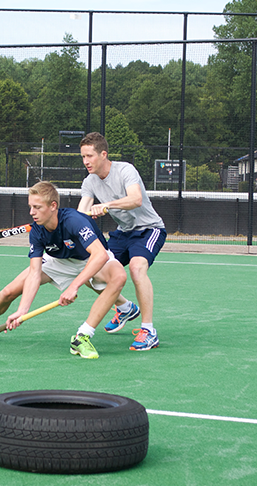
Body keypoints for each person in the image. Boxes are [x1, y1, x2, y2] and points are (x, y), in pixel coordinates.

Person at [0, 181, 127, 359]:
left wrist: (74, 286)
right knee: (9, 291)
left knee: (119, 277)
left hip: (89, 257)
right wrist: (23, 310)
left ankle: (82, 337)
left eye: (37, 207)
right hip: (59, 259)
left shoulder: (73, 220)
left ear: (53, 206)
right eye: (30, 207)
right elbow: (34, 273)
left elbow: (99, 255)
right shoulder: (37, 231)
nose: (31, 212)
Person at [76, 132, 167, 351]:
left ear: (103, 154)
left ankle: (148, 331)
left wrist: (106, 206)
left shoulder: (125, 170)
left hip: (149, 230)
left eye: (89, 156)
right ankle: (125, 307)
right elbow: (81, 213)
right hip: (123, 233)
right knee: (90, 271)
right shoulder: (89, 181)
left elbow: (135, 199)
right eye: (83, 157)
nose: (86, 161)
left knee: (137, 268)